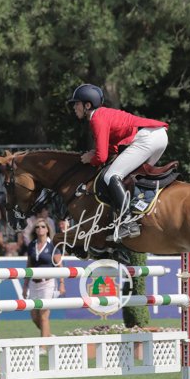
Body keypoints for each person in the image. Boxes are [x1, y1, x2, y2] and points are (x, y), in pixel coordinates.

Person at [69, 83, 168, 242]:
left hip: (147, 138)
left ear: (87, 105)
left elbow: (101, 157)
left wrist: (90, 158)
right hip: (159, 135)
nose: (74, 107)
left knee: (111, 176)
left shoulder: (97, 119)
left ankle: (128, 222)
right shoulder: (103, 114)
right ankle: (140, 214)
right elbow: (112, 148)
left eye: (77, 104)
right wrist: (96, 153)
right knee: (132, 178)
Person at [22, 218, 65, 349]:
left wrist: (62, 283)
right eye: (37, 227)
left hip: (47, 283)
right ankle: (49, 336)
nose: (40, 229)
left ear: (47, 229)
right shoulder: (32, 245)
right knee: (34, 317)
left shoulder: (52, 246)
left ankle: (43, 347)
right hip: (34, 284)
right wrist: (25, 285)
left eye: (42, 226)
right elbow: (29, 265)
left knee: (43, 315)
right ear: (34, 230)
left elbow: (60, 266)